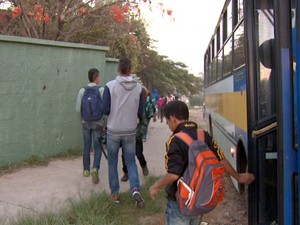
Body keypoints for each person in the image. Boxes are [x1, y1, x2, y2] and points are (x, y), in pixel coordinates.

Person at [149, 100, 255, 225]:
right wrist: (238, 176)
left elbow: (173, 174)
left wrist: (156, 185)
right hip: (199, 200)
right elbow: (221, 159)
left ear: (172, 118)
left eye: (167, 122)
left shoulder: (175, 140)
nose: (168, 125)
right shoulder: (204, 135)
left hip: (179, 203)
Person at [101, 58, 145, 208]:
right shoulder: (139, 88)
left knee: (112, 162)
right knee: (131, 161)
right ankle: (135, 189)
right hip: (130, 131)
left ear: (118, 68)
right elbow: (141, 112)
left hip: (113, 130)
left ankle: (115, 195)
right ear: (130, 68)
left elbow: (105, 109)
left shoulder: (110, 86)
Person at [75, 68, 105, 184]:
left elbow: (78, 109)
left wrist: (81, 121)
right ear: (97, 78)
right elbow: (105, 108)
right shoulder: (101, 90)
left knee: (86, 146)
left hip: (85, 122)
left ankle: (86, 170)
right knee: (97, 147)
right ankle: (95, 168)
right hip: (98, 122)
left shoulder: (82, 90)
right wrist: (104, 122)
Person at [121, 86, 149, 182]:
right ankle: (126, 173)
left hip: (137, 136)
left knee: (138, 153)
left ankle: (144, 166)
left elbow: (144, 123)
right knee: (124, 155)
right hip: (126, 135)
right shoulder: (124, 106)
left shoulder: (140, 108)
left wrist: (139, 134)